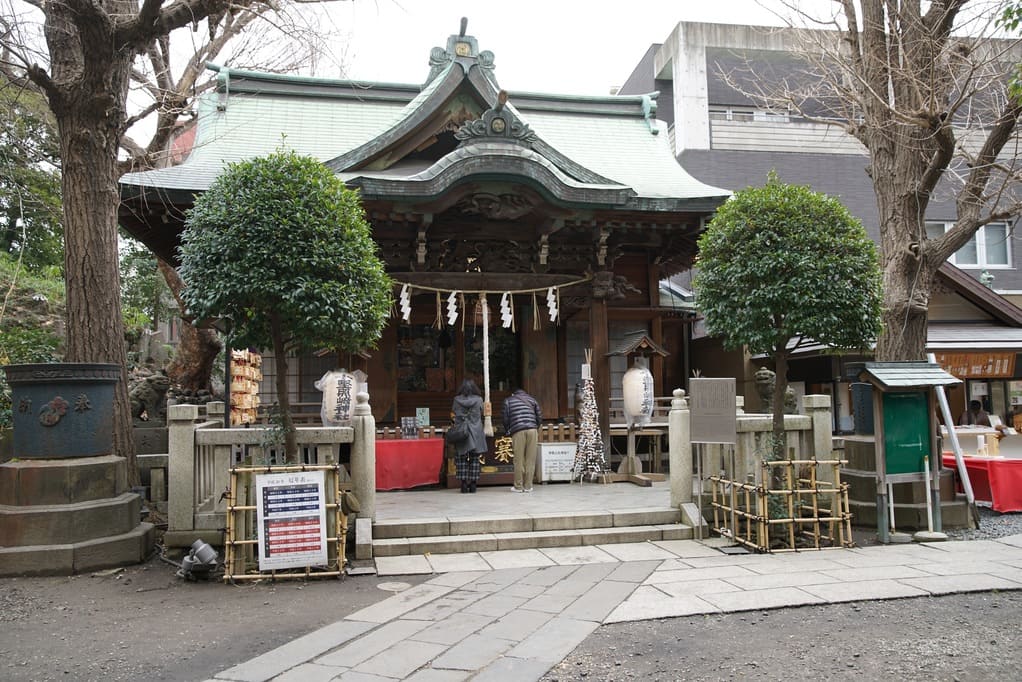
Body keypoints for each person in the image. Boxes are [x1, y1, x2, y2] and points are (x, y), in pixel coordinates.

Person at [502, 386, 541, 492]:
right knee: (530, 459)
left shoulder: (508, 401)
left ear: (513, 394)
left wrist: (508, 430)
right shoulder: (532, 400)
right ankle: (528, 486)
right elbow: (539, 417)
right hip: (532, 430)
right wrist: (535, 427)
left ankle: (518, 486)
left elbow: (505, 418)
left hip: (518, 430)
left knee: (518, 459)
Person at [451, 379, 487, 493]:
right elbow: (482, 412)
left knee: (461, 458)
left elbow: (454, 412)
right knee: (475, 458)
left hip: (461, 432)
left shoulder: (456, 400)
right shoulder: (479, 400)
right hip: (476, 431)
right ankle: (473, 485)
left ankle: (463, 484)